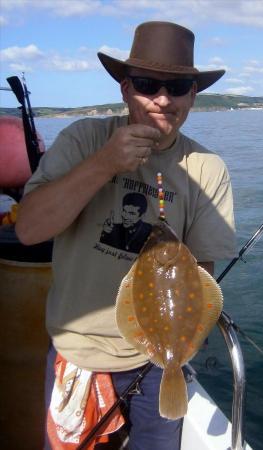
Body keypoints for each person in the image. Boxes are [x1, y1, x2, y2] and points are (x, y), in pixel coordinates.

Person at [15, 21, 236, 450]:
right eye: (148, 84)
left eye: (178, 87)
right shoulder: (84, 140)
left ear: (194, 94)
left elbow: (203, 275)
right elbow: (28, 229)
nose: (162, 99)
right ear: (124, 88)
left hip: (156, 364)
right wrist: (104, 164)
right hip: (77, 352)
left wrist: (175, 349)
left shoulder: (208, 169)